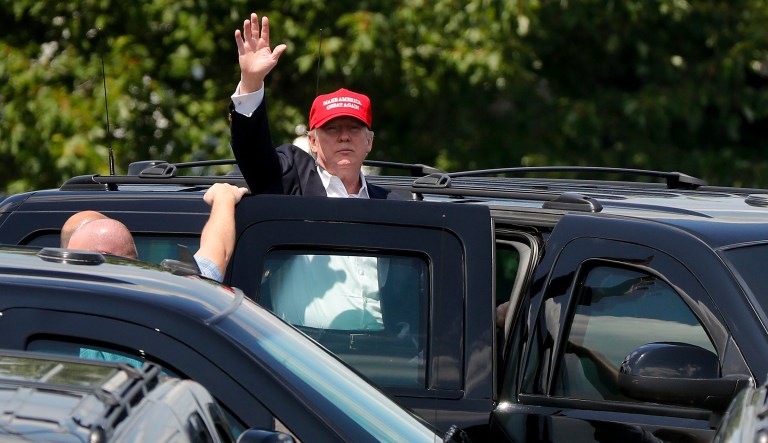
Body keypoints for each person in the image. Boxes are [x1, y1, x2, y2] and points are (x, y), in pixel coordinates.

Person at [229, 13, 401, 200]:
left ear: (369, 141)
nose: (344, 137)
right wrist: (251, 82)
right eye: (332, 129)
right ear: (313, 142)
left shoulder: (394, 205)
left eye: (354, 128)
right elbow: (254, 155)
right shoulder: (288, 181)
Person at [64, 183, 248, 282]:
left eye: (76, 261)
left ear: (106, 260)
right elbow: (218, 250)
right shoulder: (176, 295)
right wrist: (223, 198)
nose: (65, 270)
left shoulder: (78, 310)